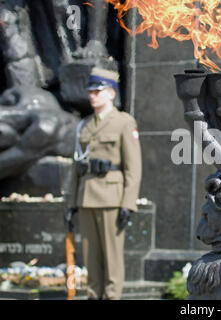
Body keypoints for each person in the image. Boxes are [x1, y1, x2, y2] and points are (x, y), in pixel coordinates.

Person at [65, 67, 142, 300]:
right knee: (91, 259)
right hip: (86, 197)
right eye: (91, 91)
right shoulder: (84, 126)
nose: (92, 96)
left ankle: (112, 297)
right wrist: (70, 204)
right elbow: (75, 167)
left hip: (112, 199)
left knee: (112, 259)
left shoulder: (124, 122)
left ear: (111, 93)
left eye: (98, 91)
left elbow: (133, 167)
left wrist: (128, 204)